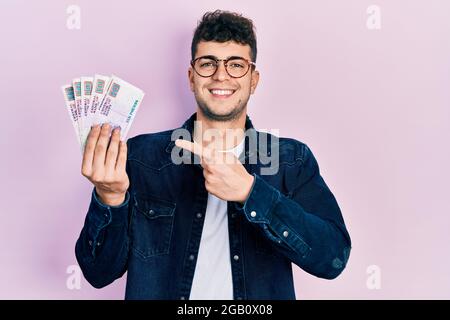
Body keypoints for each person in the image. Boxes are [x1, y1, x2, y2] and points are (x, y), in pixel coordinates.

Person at [75, 10, 351, 300]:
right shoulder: (140, 157)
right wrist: (110, 197)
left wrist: (250, 192)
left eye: (236, 65)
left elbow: (333, 258)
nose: (221, 75)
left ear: (253, 80)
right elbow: (98, 274)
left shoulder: (291, 160)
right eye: (208, 64)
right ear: (192, 77)